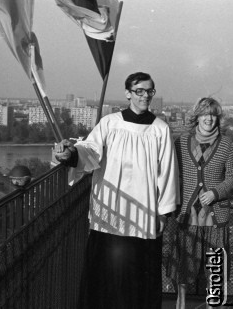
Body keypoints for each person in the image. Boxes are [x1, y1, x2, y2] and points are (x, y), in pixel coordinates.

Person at [54, 72, 179, 309]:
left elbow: (168, 172)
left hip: (143, 214)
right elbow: (89, 151)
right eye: (139, 91)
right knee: (106, 277)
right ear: (128, 93)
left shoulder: (160, 129)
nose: (145, 96)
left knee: (137, 279)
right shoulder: (110, 123)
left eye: (149, 91)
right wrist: (70, 154)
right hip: (110, 212)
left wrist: (163, 213)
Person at [166, 97, 233, 309]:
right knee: (182, 267)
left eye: (213, 114)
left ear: (218, 118)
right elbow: (173, 174)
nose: (209, 118)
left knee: (214, 269)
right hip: (186, 216)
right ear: (197, 116)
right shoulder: (180, 142)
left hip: (215, 217)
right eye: (205, 113)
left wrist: (215, 193)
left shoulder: (226, 145)